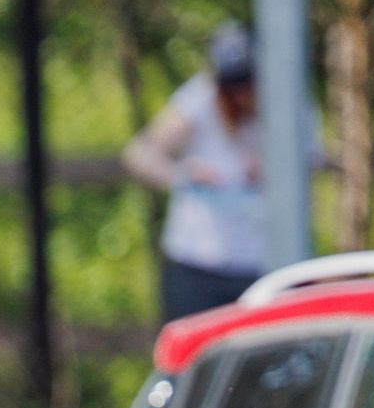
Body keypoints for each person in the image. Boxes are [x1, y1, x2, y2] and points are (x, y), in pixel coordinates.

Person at [124, 23, 298, 321]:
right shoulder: (200, 98)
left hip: (265, 265)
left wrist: (275, 169)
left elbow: (313, 159)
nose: (241, 94)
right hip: (198, 264)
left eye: (248, 82)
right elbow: (139, 154)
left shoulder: (289, 101)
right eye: (233, 85)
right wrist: (181, 175)